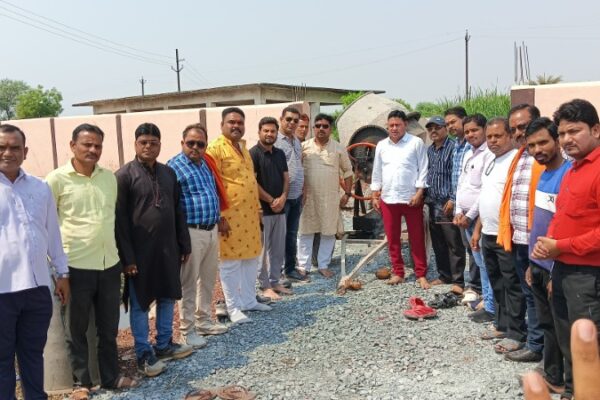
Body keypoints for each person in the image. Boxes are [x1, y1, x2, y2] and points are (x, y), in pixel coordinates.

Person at [46, 124, 138, 399]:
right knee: (75, 329)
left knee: (108, 328)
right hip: (74, 267)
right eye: (87, 144)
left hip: (109, 264)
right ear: (72, 145)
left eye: (97, 145)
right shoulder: (56, 180)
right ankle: (81, 383)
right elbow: (47, 225)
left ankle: (110, 377)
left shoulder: (108, 178)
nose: (93, 150)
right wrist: (58, 270)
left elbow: (114, 221)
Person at [532, 98, 600, 400]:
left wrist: (560, 246)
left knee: (588, 344)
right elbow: (563, 216)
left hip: (588, 275)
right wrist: (550, 252)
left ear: (595, 130)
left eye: (574, 131)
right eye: (561, 133)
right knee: (567, 340)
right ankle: (572, 393)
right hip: (563, 270)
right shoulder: (573, 170)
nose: (566, 139)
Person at [115, 123, 193, 378]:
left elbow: (178, 210)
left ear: (160, 145)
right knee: (140, 302)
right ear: (135, 144)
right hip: (139, 253)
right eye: (143, 142)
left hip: (168, 248)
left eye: (153, 143)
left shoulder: (168, 173)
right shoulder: (124, 176)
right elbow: (120, 221)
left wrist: (184, 243)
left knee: (168, 296)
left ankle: (164, 344)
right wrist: (127, 258)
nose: (148, 147)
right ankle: (143, 352)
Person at [0, 124, 70, 400]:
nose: (8, 153)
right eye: (2, 147)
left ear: (25, 151)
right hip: (2, 291)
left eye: (14, 147)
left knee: (32, 355)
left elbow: (52, 233)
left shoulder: (40, 188)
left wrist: (62, 273)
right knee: (2, 360)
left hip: (37, 288)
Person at [207, 107, 271, 324]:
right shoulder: (215, 148)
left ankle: (248, 300)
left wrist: (259, 210)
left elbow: (250, 181)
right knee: (231, 262)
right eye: (231, 122)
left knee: (251, 258)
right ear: (222, 125)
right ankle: (233, 307)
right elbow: (212, 184)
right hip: (229, 217)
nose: (236, 126)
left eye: (240, 123)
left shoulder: (243, 148)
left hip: (249, 215)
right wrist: (219, 216)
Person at [168, 123, 230, 348]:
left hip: (211, 230)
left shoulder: (205, 164)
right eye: (190, 143)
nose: (195, 147)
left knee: (208, 279)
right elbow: (172, 204)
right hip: (191, 232)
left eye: (200, 144)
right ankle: (187, 331)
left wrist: (219, 218)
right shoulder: (173, 168)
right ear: (182, 143)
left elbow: (211, 193)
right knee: (189, 283)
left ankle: (203, 321)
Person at [469, 118, 522, 351]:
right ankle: (502, 324)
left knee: (512, 284)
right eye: (489, 137)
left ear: (509, 136)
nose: (492, 141)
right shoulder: (491, 161)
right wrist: (477, 230)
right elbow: (486, 197)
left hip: (506, 234)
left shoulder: (516, 161)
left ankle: (517, 332)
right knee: (497, 282)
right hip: (488, 233)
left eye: (498, 136)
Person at [497, 104, 545, 362]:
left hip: (540, 242)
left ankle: (540, 348)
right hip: (519, 239)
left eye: (522, 127)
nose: (518, 133)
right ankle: (535, 343)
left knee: (541, 296)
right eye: (514, 128)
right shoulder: (520, 156)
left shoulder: (546, 157)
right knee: (530, 293)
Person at [525, 117, 569, 392]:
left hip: (557, 266)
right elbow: (541, 223)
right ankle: (553, 376)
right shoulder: (543, 174)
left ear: (557, 141)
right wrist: (532, 262)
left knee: (562, 326)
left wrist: (556, 271)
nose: (537, 150)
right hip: (539, 264)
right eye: (531, 145)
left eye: (543, 142)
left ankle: (569, 383)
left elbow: (565, 228)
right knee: (547, 323)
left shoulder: (567, 175)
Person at [371, 110, 430, 288]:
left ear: (405, 125)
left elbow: (423, 168)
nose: (394, 128)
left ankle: (420, 274)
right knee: (393, 238)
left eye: (398, 125)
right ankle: (398, 272)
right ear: (387, 126)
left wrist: (419, 193)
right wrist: (375, 193)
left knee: (417, 237)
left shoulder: (416, 143)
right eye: (391, 125)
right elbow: (377, 171)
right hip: (388, 198)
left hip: (411, 198)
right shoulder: (382, 145)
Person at [297, 114, 353, 278]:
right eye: (318, 126)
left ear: (330, 129)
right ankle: (303, 267)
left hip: (330, 199)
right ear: (313, 128)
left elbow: (348, 172)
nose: (321, 129)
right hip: (307, 198)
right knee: (305, 231)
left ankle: (323, 265)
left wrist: (347, 193)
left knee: (328, 232)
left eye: (325, 126)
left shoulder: (338, 148)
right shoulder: (303, 147)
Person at [453, 114, 495, 322]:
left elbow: (485, 189)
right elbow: (462, 184)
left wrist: (469, 216)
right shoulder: (468, 153)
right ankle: (486, 299)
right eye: (467, 131)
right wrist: (458, 210)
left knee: (486, 262)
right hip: (465, 218)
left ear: (484, 129)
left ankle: (490, 304)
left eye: (474, 130)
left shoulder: (489, 154)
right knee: (479, 260)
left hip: (479, 218)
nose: (470, 135)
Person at [250, 117, 292, 300]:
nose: (269, 134)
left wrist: (283, 198)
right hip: (262, 211)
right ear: (259, 132)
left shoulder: (279, 154)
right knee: (262, 251)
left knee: (278, 249)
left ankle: (275, 281)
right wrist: (271, 200)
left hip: (280, 209)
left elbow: (286, 178)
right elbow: (252, 183)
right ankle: (264, 285)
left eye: (273, 131)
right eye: (266, 131)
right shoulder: (253, 154)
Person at [424, 116, 465, 293]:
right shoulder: (430, 150)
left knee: (453, 243)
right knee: (438, 242)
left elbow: (457, 175)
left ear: (445, 129)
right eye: (430, 128)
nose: (434, 131)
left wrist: (452, 199)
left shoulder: (453, 148)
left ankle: (458, 280)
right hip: (432, 203)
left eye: (437, 127)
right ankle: (444, 275)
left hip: (446, 204)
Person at [445, 106, 481, 301]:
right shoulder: (458, 146)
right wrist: (456, 204)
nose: (450, 126)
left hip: (475, 211)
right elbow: (459, 180)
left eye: (453, 122)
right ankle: (473, 284)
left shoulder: (474, 147)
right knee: (468, 247)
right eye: (448, 124)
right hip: (461, 206)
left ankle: (477, 287)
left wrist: (468, 213)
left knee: (476, 248)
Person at [275, 106, 309, 282]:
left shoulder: (296, 141)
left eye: (295, 120)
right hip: (282, 197)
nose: (292, 123)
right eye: (288, 119)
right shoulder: (274, 141)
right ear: (281, 119)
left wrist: (303, 189)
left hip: (296, 196)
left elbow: (299, 166)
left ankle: (290, 269)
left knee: (292, 234)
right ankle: (277, 273)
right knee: (278, 236)